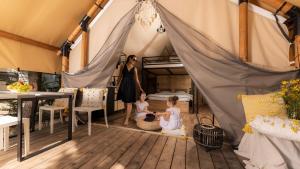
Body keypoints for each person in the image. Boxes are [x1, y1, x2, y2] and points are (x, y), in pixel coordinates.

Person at [117, 55, 144, 125]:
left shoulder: (135, 68)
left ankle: (126, 119)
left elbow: (137, 79)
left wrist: (140, 87)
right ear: (129, 59)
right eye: (134, 59)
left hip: (131, 86)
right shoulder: (123, 66)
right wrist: (116, 85)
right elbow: (120, 76)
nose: (135, 61)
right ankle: (127, 115)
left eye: (136, 60)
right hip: (123, 85)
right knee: (125, 101)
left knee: (129, 102)